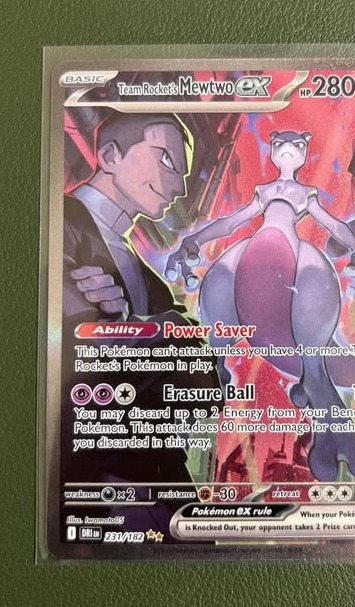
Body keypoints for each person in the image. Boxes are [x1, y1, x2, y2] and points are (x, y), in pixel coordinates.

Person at [166, 130, 355, 482]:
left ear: (304, 153)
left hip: (293, 261)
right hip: (250, 262)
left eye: (297, 146)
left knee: (314, 363)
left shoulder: (305, 194)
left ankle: (335, 431)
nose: (288, 151)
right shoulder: (263, 192)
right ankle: (202, 393)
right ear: (273, 151)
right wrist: (194, 239)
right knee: (218, 298)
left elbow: (334, 225)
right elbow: (230, 223)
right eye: (281, 145)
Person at [61, 112, 221, 538]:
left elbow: (205, 390)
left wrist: (137, 328)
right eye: (166, 160)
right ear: (110, 156)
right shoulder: (56, 224)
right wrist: (162, 334)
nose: (179, 188)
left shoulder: (149, 280)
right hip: (85, 484)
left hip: (158, 484)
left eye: (182, 173)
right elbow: (67, 349)